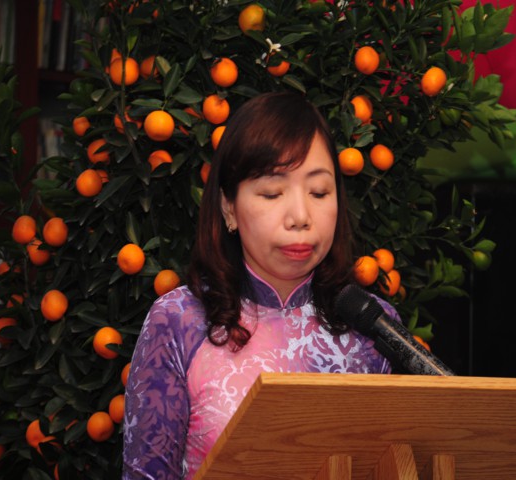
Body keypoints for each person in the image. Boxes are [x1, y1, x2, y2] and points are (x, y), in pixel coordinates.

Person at [122, 92, 400, 479]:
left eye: (319, 192)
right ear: (229, 207)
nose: (300, 216)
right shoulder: (180, 320)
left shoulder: (373, 324)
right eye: (272, 193)